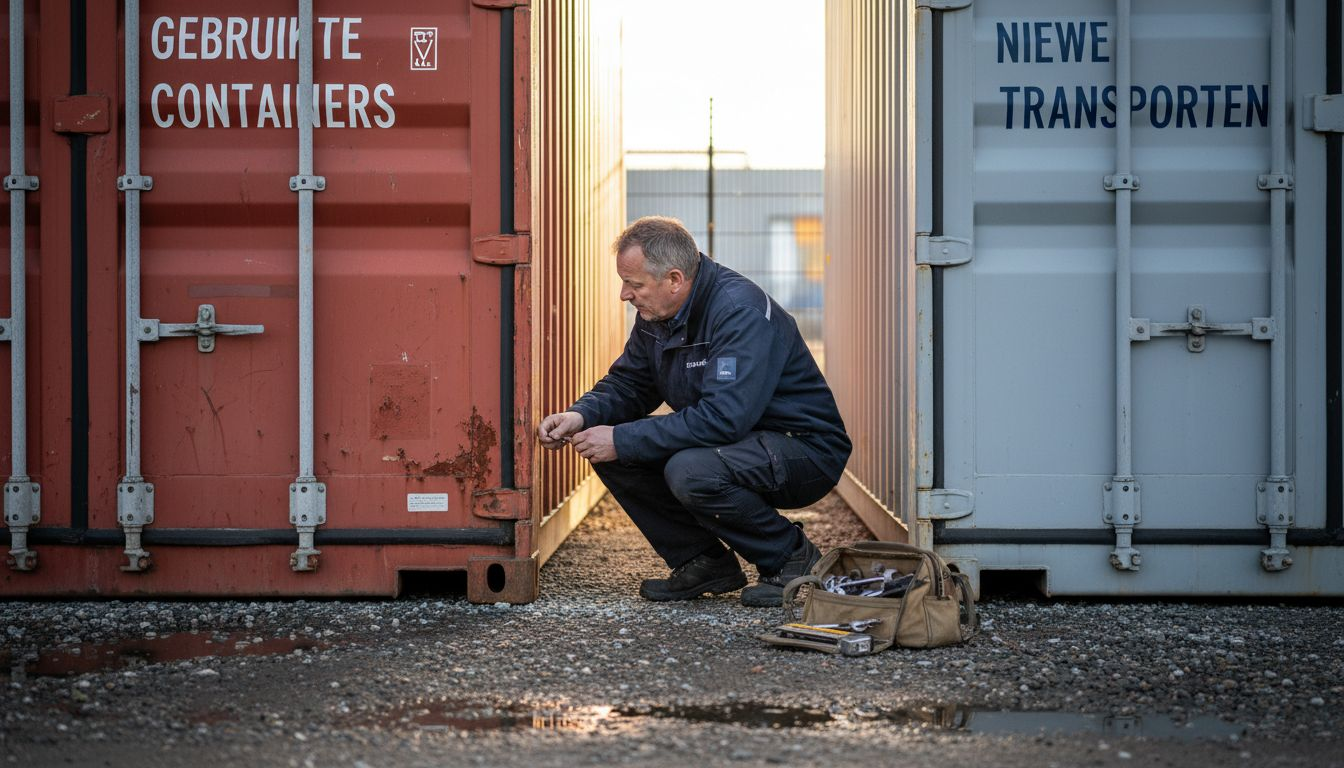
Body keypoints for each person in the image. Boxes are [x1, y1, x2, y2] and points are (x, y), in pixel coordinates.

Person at [537, 216, 852, 607]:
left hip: (803, 450)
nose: (624, 295)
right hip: (741, 442)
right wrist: (582, 416)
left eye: (634, 284)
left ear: (674, 279)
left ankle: (788, 556)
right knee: (607, 443)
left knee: (687, 469)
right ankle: (704, 562)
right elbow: (630, 384)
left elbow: (724, 417)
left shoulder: (739, 312)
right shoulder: (658, 316)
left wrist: (622, 438)